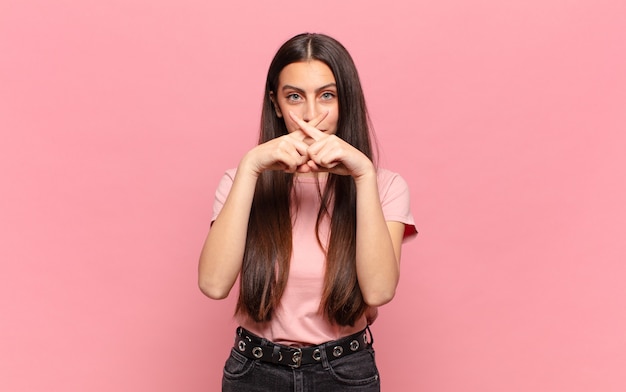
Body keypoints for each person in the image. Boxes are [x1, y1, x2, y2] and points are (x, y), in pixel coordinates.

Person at [198, 32, 417, 391]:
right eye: (295, 97)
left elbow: (378, 292)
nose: (311, 115)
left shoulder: (385, 186)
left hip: (344, 372)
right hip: (254, 372)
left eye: (327, 96)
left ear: (347, 102)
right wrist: (252, 165)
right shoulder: (240, 181)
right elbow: (213, 284)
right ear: (276, 103)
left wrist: (362, 174)